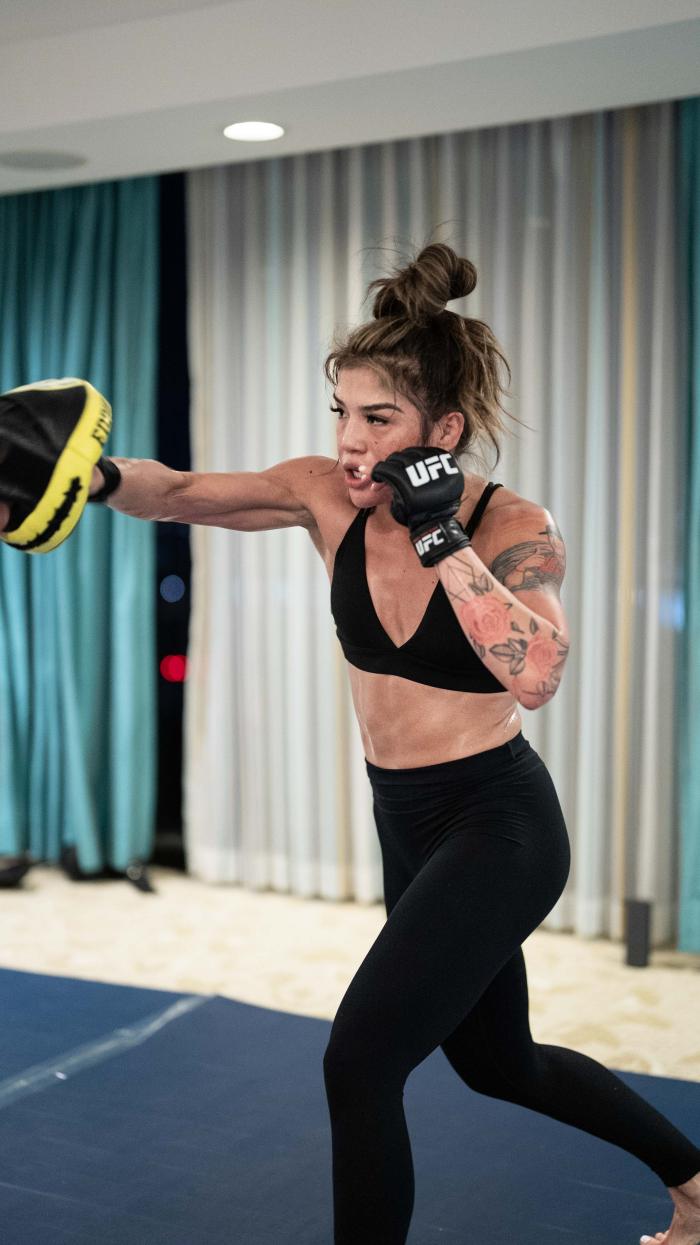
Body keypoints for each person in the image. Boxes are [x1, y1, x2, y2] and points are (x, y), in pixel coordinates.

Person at [1, 243, 699, 1245]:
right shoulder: (321, 493)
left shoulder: (510, 524)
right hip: (404, 822)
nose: (352, 441)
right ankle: (695, 1183)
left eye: (378, 418)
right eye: (341, 411)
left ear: (442, 430)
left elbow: (537, 671)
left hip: (496, 824)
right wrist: (96, 475)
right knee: (502, 1065)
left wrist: (441, 539)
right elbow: (184, 492)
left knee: (359, 1058)